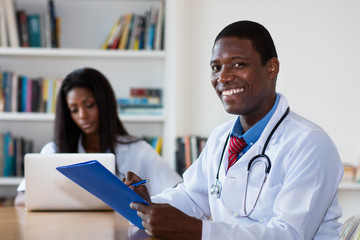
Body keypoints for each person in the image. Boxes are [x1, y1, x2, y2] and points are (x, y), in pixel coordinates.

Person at [125, 20, 344, 239]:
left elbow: (289, 235)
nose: (223, 77)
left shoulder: (310, 143)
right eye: (216, 67)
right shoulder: (221, 137)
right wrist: (146, 206)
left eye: (238, 64)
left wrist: (198, 230)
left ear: (272, 68)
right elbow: (192, 197)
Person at [15, 68, 182, 205]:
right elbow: (20, 199)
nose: (82, 115)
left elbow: (179, 191)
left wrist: (140, 199)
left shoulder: (137, 150)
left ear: (105, 103)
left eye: (89, 105)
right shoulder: (53, 151)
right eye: (74, 109)